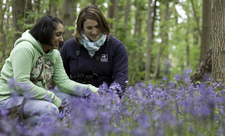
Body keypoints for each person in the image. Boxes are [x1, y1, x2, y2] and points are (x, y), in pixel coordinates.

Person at [0, 15, 99, 125]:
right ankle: (11, 128)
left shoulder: (54, 54)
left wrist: (93, 90)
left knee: (70, 100)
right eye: (58, 35)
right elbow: (22, 84)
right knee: (51, 110)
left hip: (33, 97)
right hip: (9, 99)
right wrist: (51, 97)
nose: (61, 39)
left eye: (62, 35)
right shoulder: (25, 48)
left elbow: (64, 83)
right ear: (45, 32)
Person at [60, 5, 128, 97]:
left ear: (103, 25)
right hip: (75, 98)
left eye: (97, 26)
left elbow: (121, 76)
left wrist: (113, 95)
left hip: (105, 97)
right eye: (89, 28)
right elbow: (61, 78)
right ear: (81, 27)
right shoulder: (69, 46)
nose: (94, 32)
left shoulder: (117, 47)